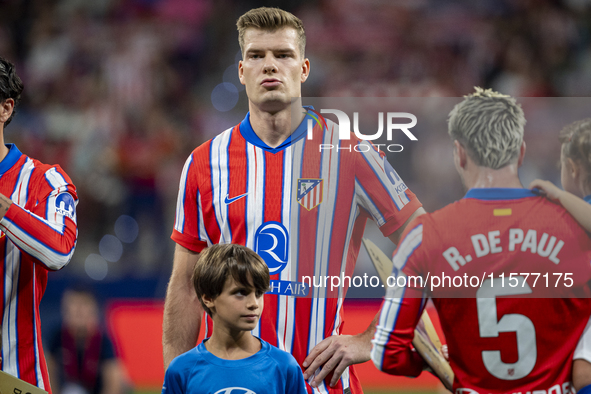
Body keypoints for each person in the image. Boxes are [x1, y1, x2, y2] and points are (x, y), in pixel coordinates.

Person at [163, 7, 425, 393]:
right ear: (241, 71)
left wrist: (371, 338)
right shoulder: (204, 163)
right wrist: (179, 379)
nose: (270, 66)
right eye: (256, 55)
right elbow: (186, 285)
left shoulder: (352, 155)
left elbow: (430, 246)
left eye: (282, 55)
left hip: (321, 384)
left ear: (303, 69)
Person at [371, 88, 591, 393]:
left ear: (459, 154)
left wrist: (437, 361)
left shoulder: (424, 235)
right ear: (521, 151)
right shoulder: (579, 229)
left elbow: (387, 354)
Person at [0, 56, 78, 393]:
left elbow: (59, 252)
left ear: (5, 109)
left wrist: (4, 207)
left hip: (17, 375)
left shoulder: (45, 181)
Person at [163, 244, 307, 394]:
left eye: (258, 293)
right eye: (241, 293)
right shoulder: (181, 370)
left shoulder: (284, 367)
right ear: (208, 298)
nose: (254, 304)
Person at [529, 118, 591, 394]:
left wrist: (557, 195)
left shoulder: (574, 211)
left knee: (581, 374)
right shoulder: (568, 217)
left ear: (573, 169)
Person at [46, 287, 127, 394]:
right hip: (66, 390)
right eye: (73, 304)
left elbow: (113, 379)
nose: (78, 310)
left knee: (124, 380)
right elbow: (48, 371)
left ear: (94, 310)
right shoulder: (57, 336)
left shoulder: (103, 340)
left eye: (83, 305)